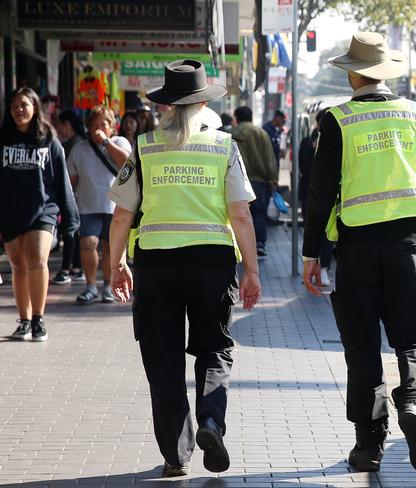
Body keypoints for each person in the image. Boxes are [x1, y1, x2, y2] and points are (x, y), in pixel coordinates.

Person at [302, 32, 416, 473]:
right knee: (415, 338)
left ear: (353, 74)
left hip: (356, 251)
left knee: (362, 348)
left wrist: (310, 253)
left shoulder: (337, 120)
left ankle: (368, 447)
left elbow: (320, 193)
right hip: (411, 248)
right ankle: (413, 402)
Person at [108, 59, 261, 477]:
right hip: (211, 263)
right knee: (214, 347)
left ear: (166, 106)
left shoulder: (143, 146)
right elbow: (241, 214)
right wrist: (251, 270)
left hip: (157, 264)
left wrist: (117, 264)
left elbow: (121, 216)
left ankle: (176, 455)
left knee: (164, 359)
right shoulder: (224, 146)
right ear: (202, 105)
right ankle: (211, 420)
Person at [0, 87, 79, 341]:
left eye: (24, 104)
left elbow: (62, 181)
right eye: (14, 105)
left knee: (37, 259)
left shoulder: (49, 140)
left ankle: (38, 319)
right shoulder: (2, 140)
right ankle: (23, 321)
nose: (18, 109)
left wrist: (70, 218)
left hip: (43, 210)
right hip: (11, 211)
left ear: (35, 108)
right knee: (18, 266)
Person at [67, 105, 131, 304]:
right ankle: (91, 286)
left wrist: (105, 141)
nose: (98, 128)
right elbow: (71, 179)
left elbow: (127, 163)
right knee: (88, 243)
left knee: (111, 248)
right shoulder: (80, 148)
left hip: (115, 207)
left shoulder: (120, 142)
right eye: (94, 124)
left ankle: (108, 286)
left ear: (112, 126)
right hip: (87, 206)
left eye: (103, 124)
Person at [232, 106, 278, 257]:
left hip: (236, 181)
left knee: (238, 215)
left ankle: (239, 246)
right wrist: (272, 179)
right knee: (258, 214)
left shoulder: (231, 135)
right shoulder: (261, 134)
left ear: (237, 118)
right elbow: (269, 158)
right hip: (259, 182)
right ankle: (259, 244)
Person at [299, 109, 334, 286]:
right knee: (311, 230)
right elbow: (303, 168)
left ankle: (324, 269)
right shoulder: (307, 142)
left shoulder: (335, 140)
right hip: (309, 194)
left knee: (327, 236)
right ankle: (312, 265)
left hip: (330, 198)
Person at [51, 110, 86, 285]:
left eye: (60, 125)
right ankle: (76, 267)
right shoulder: (73, 143)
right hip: (73, 193)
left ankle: (68, 269)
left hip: (73, 193)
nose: (59, 128)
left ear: (67, 125)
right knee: (73, 231)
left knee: (70, 230)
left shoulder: (75, 143)